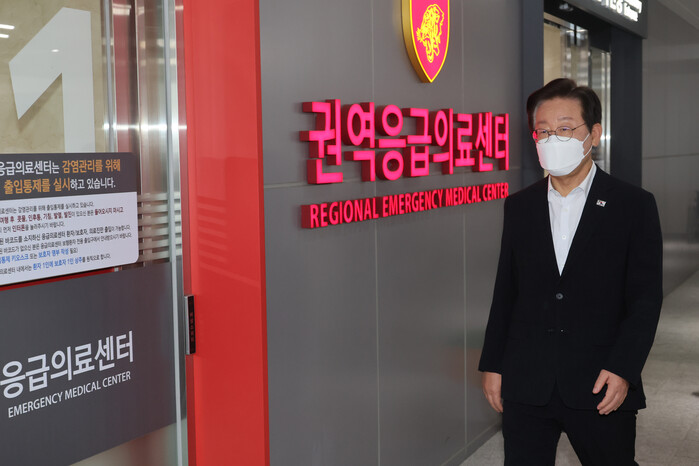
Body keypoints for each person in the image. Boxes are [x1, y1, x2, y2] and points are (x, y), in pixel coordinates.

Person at [478, 78, 663, 466]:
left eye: (564, 129)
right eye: (543, 131)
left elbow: (645, 299)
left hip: (601, 381)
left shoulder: (633, 205)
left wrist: (623, 368)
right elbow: (506, 291)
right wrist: (493, 363)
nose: (552, 139)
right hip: (527, 380)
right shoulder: (520, 206)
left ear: (592, 134)